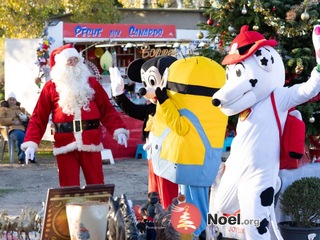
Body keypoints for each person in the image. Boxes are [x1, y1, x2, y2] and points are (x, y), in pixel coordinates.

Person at [21, 44, 129, 187]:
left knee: (96, 185)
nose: (73, 64)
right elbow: (38, 117)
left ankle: (97, 209)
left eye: (75, 60)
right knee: (68, 187)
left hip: (91, 142)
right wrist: (32, 143)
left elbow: (107, 110)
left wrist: (118, 130)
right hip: (64, 144)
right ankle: (71, 209)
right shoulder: (51, 88)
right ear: (61, 66)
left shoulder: (91, 83)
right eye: (69, 61)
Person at [0, 92, 32, 164]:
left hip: (24, 128)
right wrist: (12, 121)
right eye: (10, 99)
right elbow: (1, 120)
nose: (12, 101)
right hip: (12, 129)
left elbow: (32, 117)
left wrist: (26, 118)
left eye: (13, 99)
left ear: (16, 101)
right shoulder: (3, 109)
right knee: (21, 137)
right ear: (7, 101)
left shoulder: (21, 109)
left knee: (31, 137)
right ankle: (21, 157)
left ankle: (31, 157)